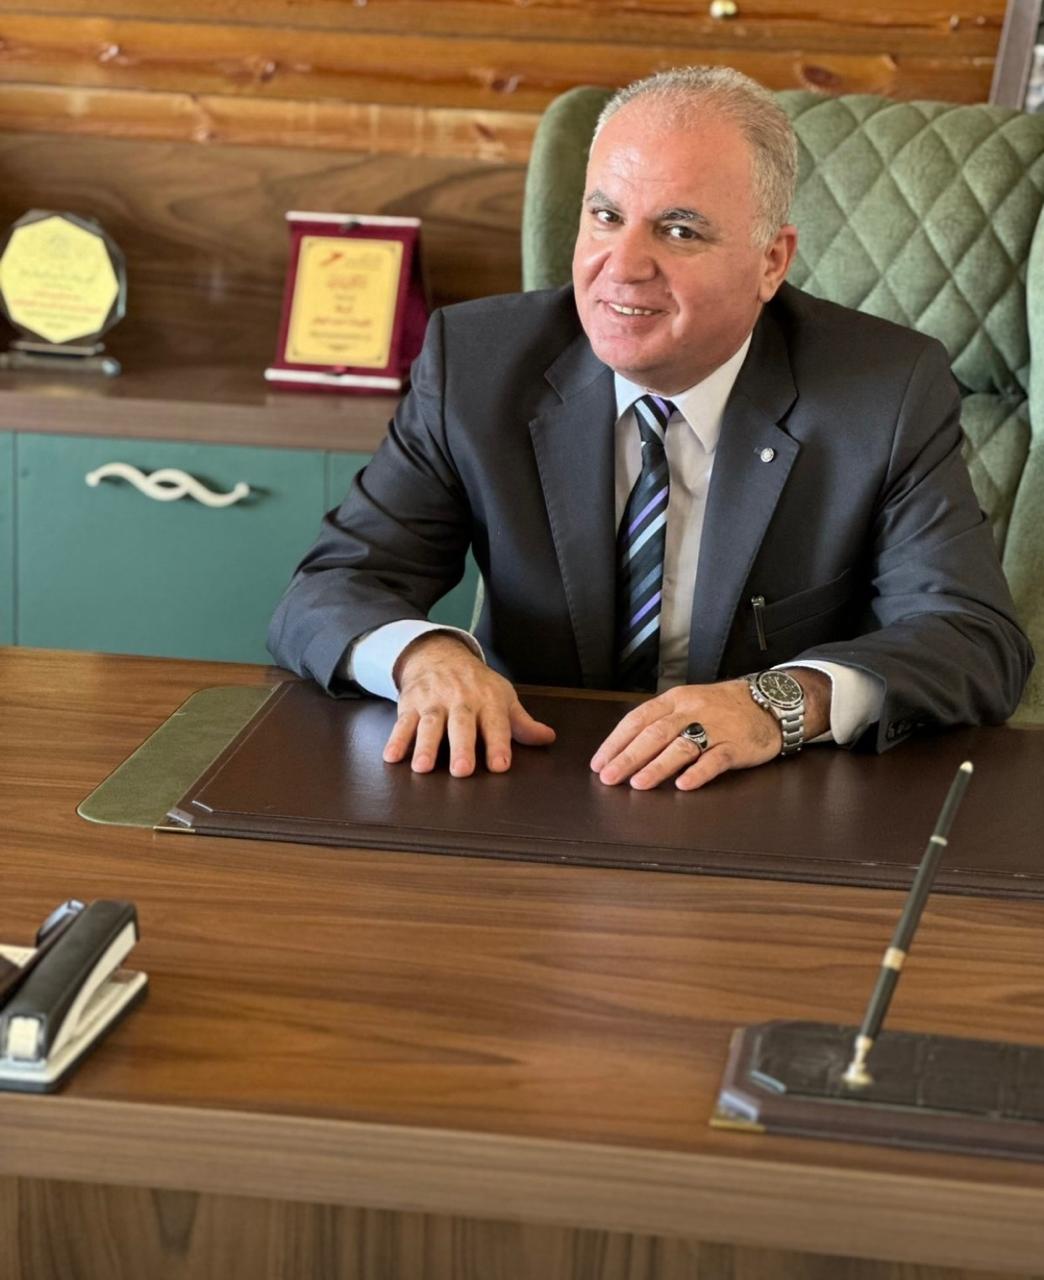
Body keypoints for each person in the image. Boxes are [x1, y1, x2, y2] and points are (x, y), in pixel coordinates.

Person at [268, 66, 1032, 791]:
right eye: (606, 217)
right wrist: (424, 656)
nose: (623, 265)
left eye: (680, 231)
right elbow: (332, 589)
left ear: (771, 262)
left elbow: (971, 639)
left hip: (771, 796)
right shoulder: (475, 365)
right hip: (528, 777)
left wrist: (778, 703)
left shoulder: (885, 391)